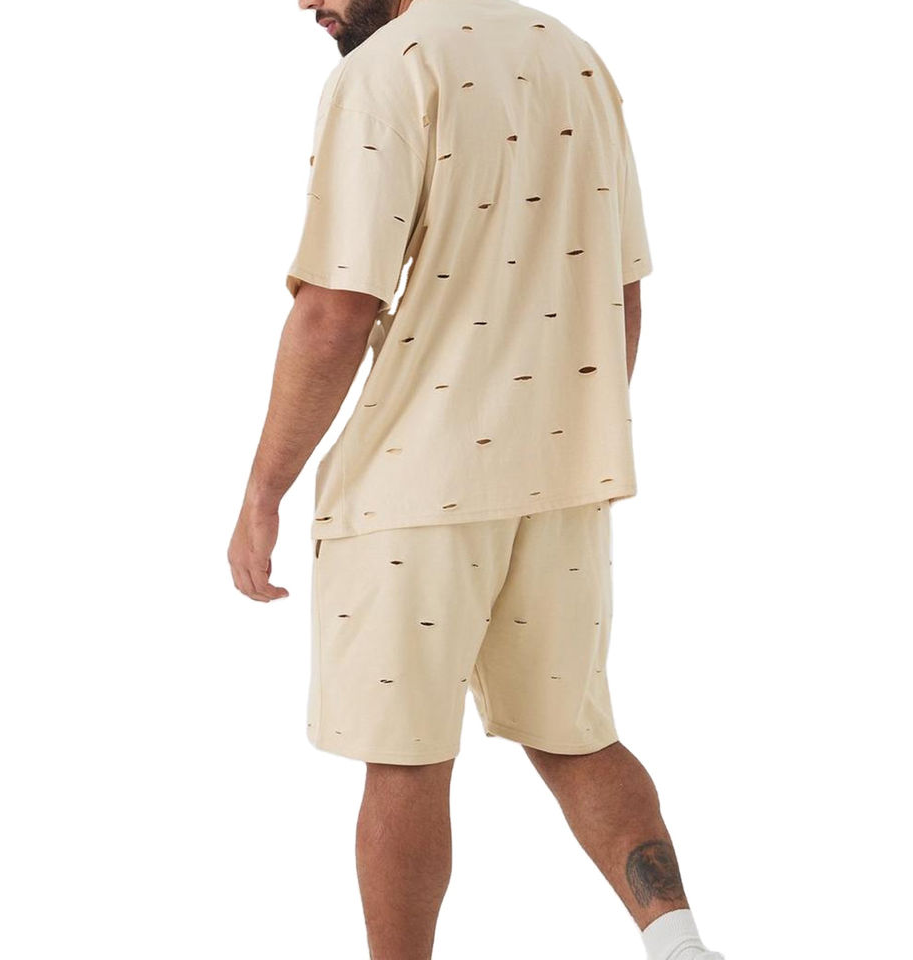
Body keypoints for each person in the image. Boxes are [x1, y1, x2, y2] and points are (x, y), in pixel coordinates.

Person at [228, 1, 725, 958]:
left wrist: (263, 491)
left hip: (414, 484)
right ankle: (682, 947)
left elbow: (334, 311)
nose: (304, 2)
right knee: (576, 732)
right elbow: (621, 290)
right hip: (562, 479)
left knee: (405, 756)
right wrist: (569, 437)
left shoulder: (384, 72)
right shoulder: (573, 57)